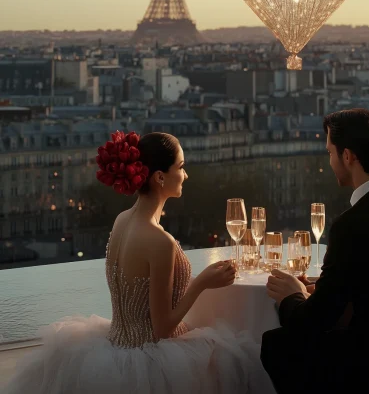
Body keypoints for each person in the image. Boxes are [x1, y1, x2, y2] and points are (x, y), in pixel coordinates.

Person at [3, 131, 268, 394]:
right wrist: (201, 283)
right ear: (160, 177)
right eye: (181, 167)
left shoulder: (122, 220)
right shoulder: (159, 241)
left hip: (111, 347)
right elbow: (162, 329)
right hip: (152, 360)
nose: (186, 175)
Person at [261, 108, 369, 394]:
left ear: (348, 156)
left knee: (275, 344)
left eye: (330, 152)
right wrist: (325, 287)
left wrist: (291, 295)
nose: (329, 161)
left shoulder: (350, 226)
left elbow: (314, 322)